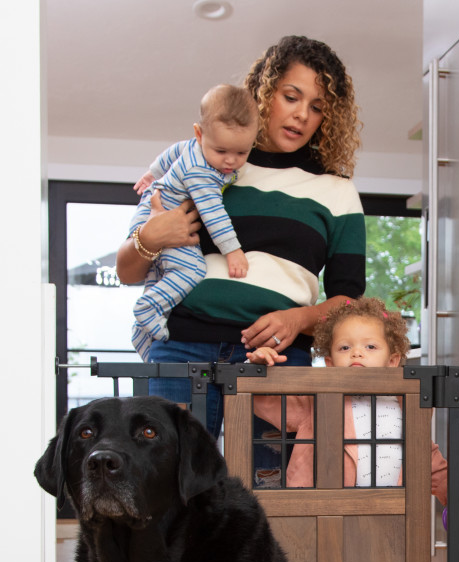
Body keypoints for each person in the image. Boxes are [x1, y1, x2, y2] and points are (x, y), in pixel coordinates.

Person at [115, 36, 366, 460]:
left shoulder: (337, 192)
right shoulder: (206, 163)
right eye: (291, 96)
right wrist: (154, 235)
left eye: (318, 106)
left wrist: (299, 318)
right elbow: (127, 271)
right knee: (166, 493)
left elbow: (348, 302)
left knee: (267, 502)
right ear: (265, 94)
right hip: (182, 347)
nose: (302, 114)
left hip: (276, 361)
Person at [247, 296, 448, 503]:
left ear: (392, 361)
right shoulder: (318, 401)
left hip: (389, 514)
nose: (357, 353)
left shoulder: (408, 405)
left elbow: (428, 459)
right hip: (324, 512)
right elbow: (265, 402)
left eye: (370, 347)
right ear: (330, 363)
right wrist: (258, 371)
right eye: (345, 348)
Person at [129, 84, 259, 361]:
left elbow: (173, 151)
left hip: (151, 212)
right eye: (221, 150)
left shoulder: (193, 148)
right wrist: (232, 251)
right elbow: (213, 215)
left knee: (160, 276)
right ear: (199, 134)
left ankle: (142, 338)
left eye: (241, 153)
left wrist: (152, 174)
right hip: (160, 219)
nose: (230, 161)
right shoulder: (202, 173)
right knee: (192, 269)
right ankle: (146, 309)